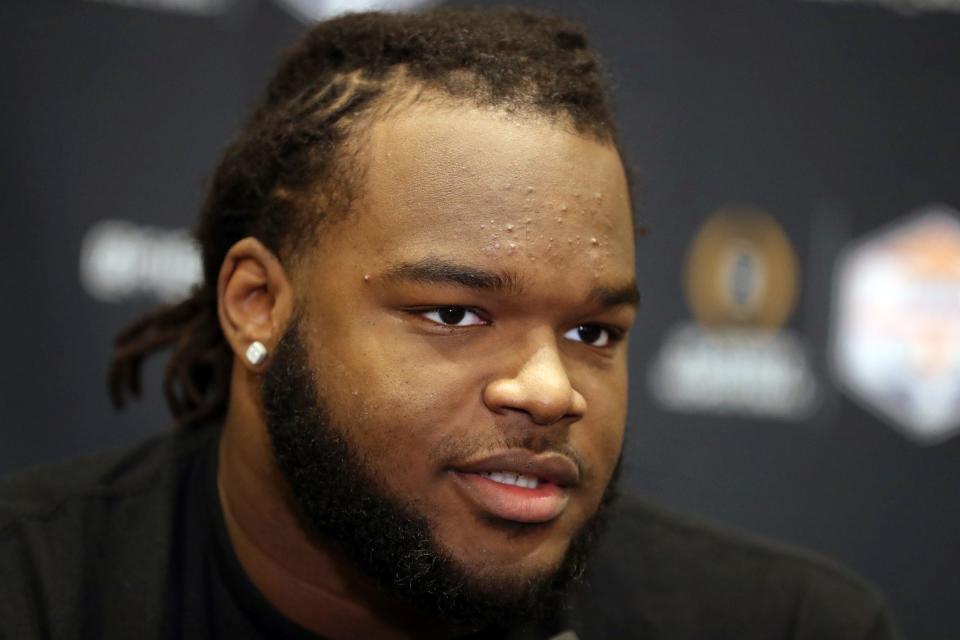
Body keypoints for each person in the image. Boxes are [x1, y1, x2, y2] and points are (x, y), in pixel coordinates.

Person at [0, 7, 900, 639]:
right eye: (455, 312)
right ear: (257, 305)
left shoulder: (785, 625)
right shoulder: (34, 593)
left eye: (594, 332)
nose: (550, 391)